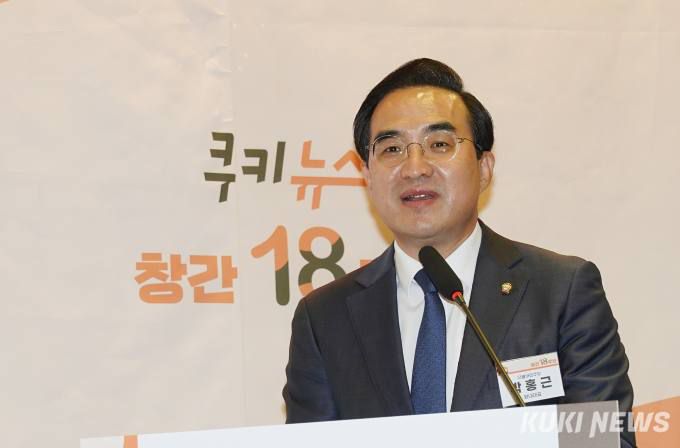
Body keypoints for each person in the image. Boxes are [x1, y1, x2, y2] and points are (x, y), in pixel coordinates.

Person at [282, 58, 635, 446]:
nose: (415, 168)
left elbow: (605, 441)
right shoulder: (325, 318)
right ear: (367, 174)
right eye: (392, 148)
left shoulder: (560, 291)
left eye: (439, 145)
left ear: (484, 168)